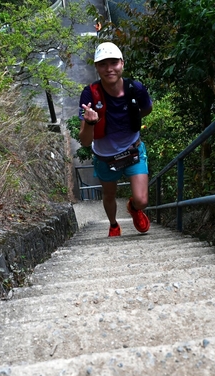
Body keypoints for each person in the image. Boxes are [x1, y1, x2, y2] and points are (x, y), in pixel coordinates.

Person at [78, 42, 153, 237]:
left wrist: (130, 120)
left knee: (142, 200)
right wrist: (90, 123)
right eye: (103, 64)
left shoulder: (135, 89)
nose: (109, 68)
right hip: (105, 157)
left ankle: (134, 208)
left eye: (113, 63)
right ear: (97, 67)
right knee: (109, 194)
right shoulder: (90, 94)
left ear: (122, 63)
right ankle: (113, 225)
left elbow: (147, 108)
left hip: (132, 150)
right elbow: (85, 141)